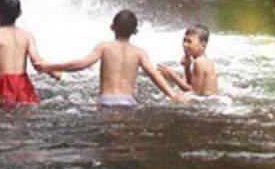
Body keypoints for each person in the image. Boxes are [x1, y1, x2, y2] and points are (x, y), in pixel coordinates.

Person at [36, 9, 186, 107]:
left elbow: (82, 64)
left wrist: (51, 66)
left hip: (105, 101)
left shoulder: (104, 47)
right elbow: (154, 74)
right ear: (135, 31)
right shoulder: (139, 52)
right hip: (128, 102)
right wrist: (172, 95)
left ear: (112, 27)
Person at [159, 24, 219, 96]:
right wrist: (187, 67)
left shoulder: (199, 63)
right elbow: (193, 86)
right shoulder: (204, 60)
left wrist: (172, 75)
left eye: (189, 41)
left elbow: (193, 92)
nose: (185, 44)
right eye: (184, 40)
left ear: (203, 45)